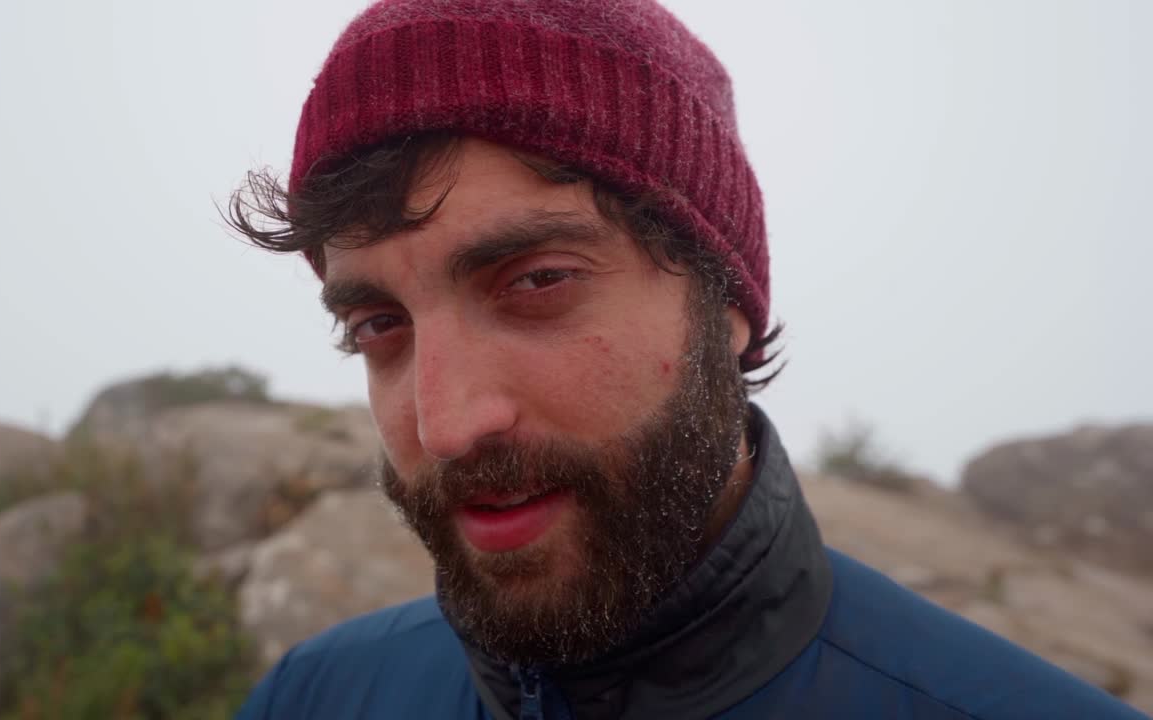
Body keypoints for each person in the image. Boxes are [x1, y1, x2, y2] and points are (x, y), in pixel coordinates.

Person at [229, 1, 1147, 718]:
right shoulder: (311, 698)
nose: (448, 424)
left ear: (729, 305)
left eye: (539, 281)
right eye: (379, 325)